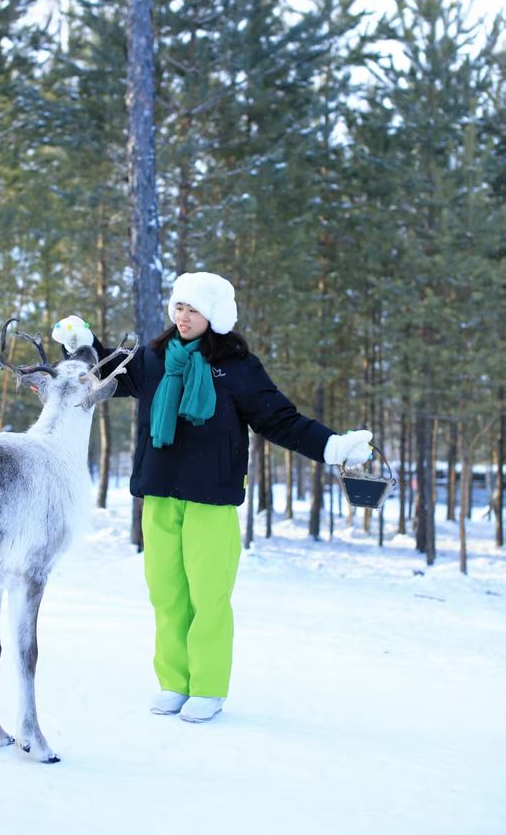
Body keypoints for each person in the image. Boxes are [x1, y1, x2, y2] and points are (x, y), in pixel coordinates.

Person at [55, 272, 372, 723]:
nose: (184, 317)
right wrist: (83, 343)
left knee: (209, 597)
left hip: (212, 498)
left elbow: (281, 420)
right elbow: (107, 371)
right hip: (160, 493)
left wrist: (332, 447)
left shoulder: (239, 367)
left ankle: (207, 687)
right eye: (179, 307)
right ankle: (174, 682)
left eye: (194, 309)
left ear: (215, 315)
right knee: (167, 595)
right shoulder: (152, 358)